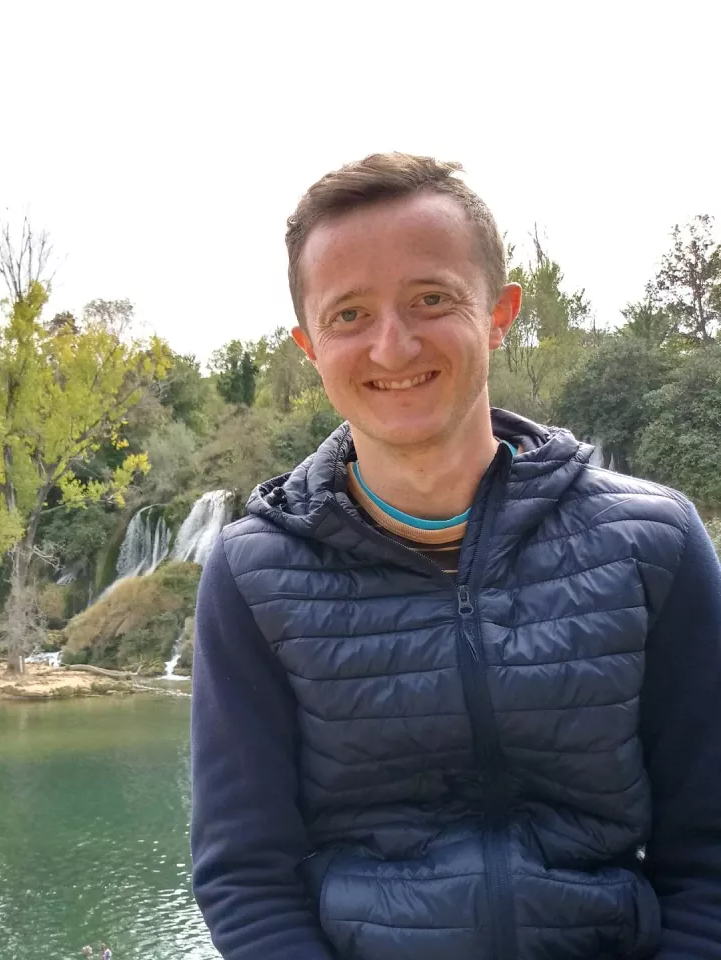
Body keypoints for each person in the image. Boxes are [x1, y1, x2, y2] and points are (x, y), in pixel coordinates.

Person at [190, 152, 721, 960]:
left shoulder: (655, 541)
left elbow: (709, 851)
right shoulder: (251, 574)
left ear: (500, 314)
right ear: (309, 346)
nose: (392, 346)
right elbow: (247, 877)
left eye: (431, 299)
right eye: (349, 315)